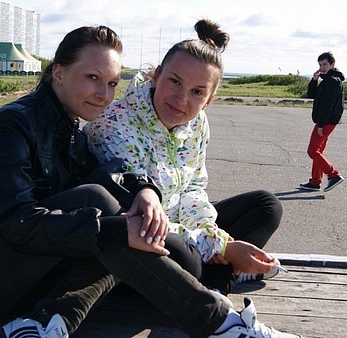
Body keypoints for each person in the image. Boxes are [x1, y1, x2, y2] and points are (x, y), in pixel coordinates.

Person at [0, 25, 299, 338]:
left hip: (27, 276)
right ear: (58, 72)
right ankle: (219, 321)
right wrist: (116, 229)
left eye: (111, 83)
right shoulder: (12, 125)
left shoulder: (70, 128)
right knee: (102, 210)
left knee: (111, 216)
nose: (103, 95)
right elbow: (16, 223)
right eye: (92, 78)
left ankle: (43, 323)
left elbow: (113, 176)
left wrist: (145, 190)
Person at [85, 19, 285, 297]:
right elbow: (138, 216)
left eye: (197, 92)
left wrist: (210, 232)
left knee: (266, 205)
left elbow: (193, 186)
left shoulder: (197, 122)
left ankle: (217, 279)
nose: (181, 99)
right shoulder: (114, 125)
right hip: (141, 231)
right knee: (185, 257)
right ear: (157, 76)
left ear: (209, 100)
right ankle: (222, 281)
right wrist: (221, 246)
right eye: (174, 81)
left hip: (183, 221)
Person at [299, 51, 345, 192]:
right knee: (318, 151)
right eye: (320, 65)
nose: (322, 67)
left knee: (312, 151)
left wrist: (321, 124)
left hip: (326, 121)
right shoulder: (328, 80)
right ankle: (315, 182)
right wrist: (314, 80)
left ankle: (333, 175)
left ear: (332, 64)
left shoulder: (332, 81)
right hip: (327, 121)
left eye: (324, 64)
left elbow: (327, 105)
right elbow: (312, 94)